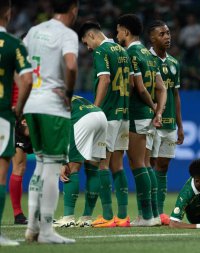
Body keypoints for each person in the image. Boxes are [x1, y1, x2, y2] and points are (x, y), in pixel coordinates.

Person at [23, 0, 79, 244]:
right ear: (73, 8)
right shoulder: (66, 34)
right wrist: (67, 94)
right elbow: (71, 65)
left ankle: (32, 229)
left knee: (40, 166)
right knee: (52, 168)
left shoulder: (33, 31)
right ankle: (46, 231)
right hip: (52, 107)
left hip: (31, 104)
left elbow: (22, 67)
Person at [78, 21, 134, 228]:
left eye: (86, 43)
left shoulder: (101, 51)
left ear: (92, 36)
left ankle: (108, 216)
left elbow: (105, 80)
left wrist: (95, 108)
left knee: (102, 164)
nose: (87, 48)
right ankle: (122, 217)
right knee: (117, 166)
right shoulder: (122, 50)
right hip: (124, 114)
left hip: (108, 114)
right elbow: (129, 83)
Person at [116, 14, 167, 227]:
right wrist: (158, 111)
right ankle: (153, 214)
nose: (117, 35)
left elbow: (139, 87)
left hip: (137, 114)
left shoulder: (130, 54)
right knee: (145, 163)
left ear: (126, 32)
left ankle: (147, 216)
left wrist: (152, 107)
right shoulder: (148, 54)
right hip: (147, 116)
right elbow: (161, 87)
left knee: (137, 163)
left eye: (118, 31)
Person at [0, 0, 32, 246]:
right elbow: (25, 82)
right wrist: (19, 114)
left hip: (19, 115)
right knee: (11, 167)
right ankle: (19, 214)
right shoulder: (14, 48)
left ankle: (24, 214)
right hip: (8, 115)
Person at [148, 20, 184, 225]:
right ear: (152, 38)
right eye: (162, 34)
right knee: (148, 165)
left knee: (163, 166)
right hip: (152, 122)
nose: (167, 37)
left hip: (170, 123)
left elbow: (175, 95)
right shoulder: (145, 59)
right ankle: (149, 211)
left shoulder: (174, 63)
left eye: (168, 33)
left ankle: (159, 212)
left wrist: (180, 125)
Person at [54, 95, 107, 228]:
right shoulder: (65, 93)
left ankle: (68, 218)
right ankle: (87, 218)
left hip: (82, 119)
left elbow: (56, 129)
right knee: (93, 169)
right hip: (100, 115)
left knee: (71, 168)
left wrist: (62, 161)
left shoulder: (46, 102)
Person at [9, 83, 32, 225]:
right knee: (19, 166)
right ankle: (18, 214)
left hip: (38, 112)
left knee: (46, 163)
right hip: (17, 114)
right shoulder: (14, 62)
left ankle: (41, 212)